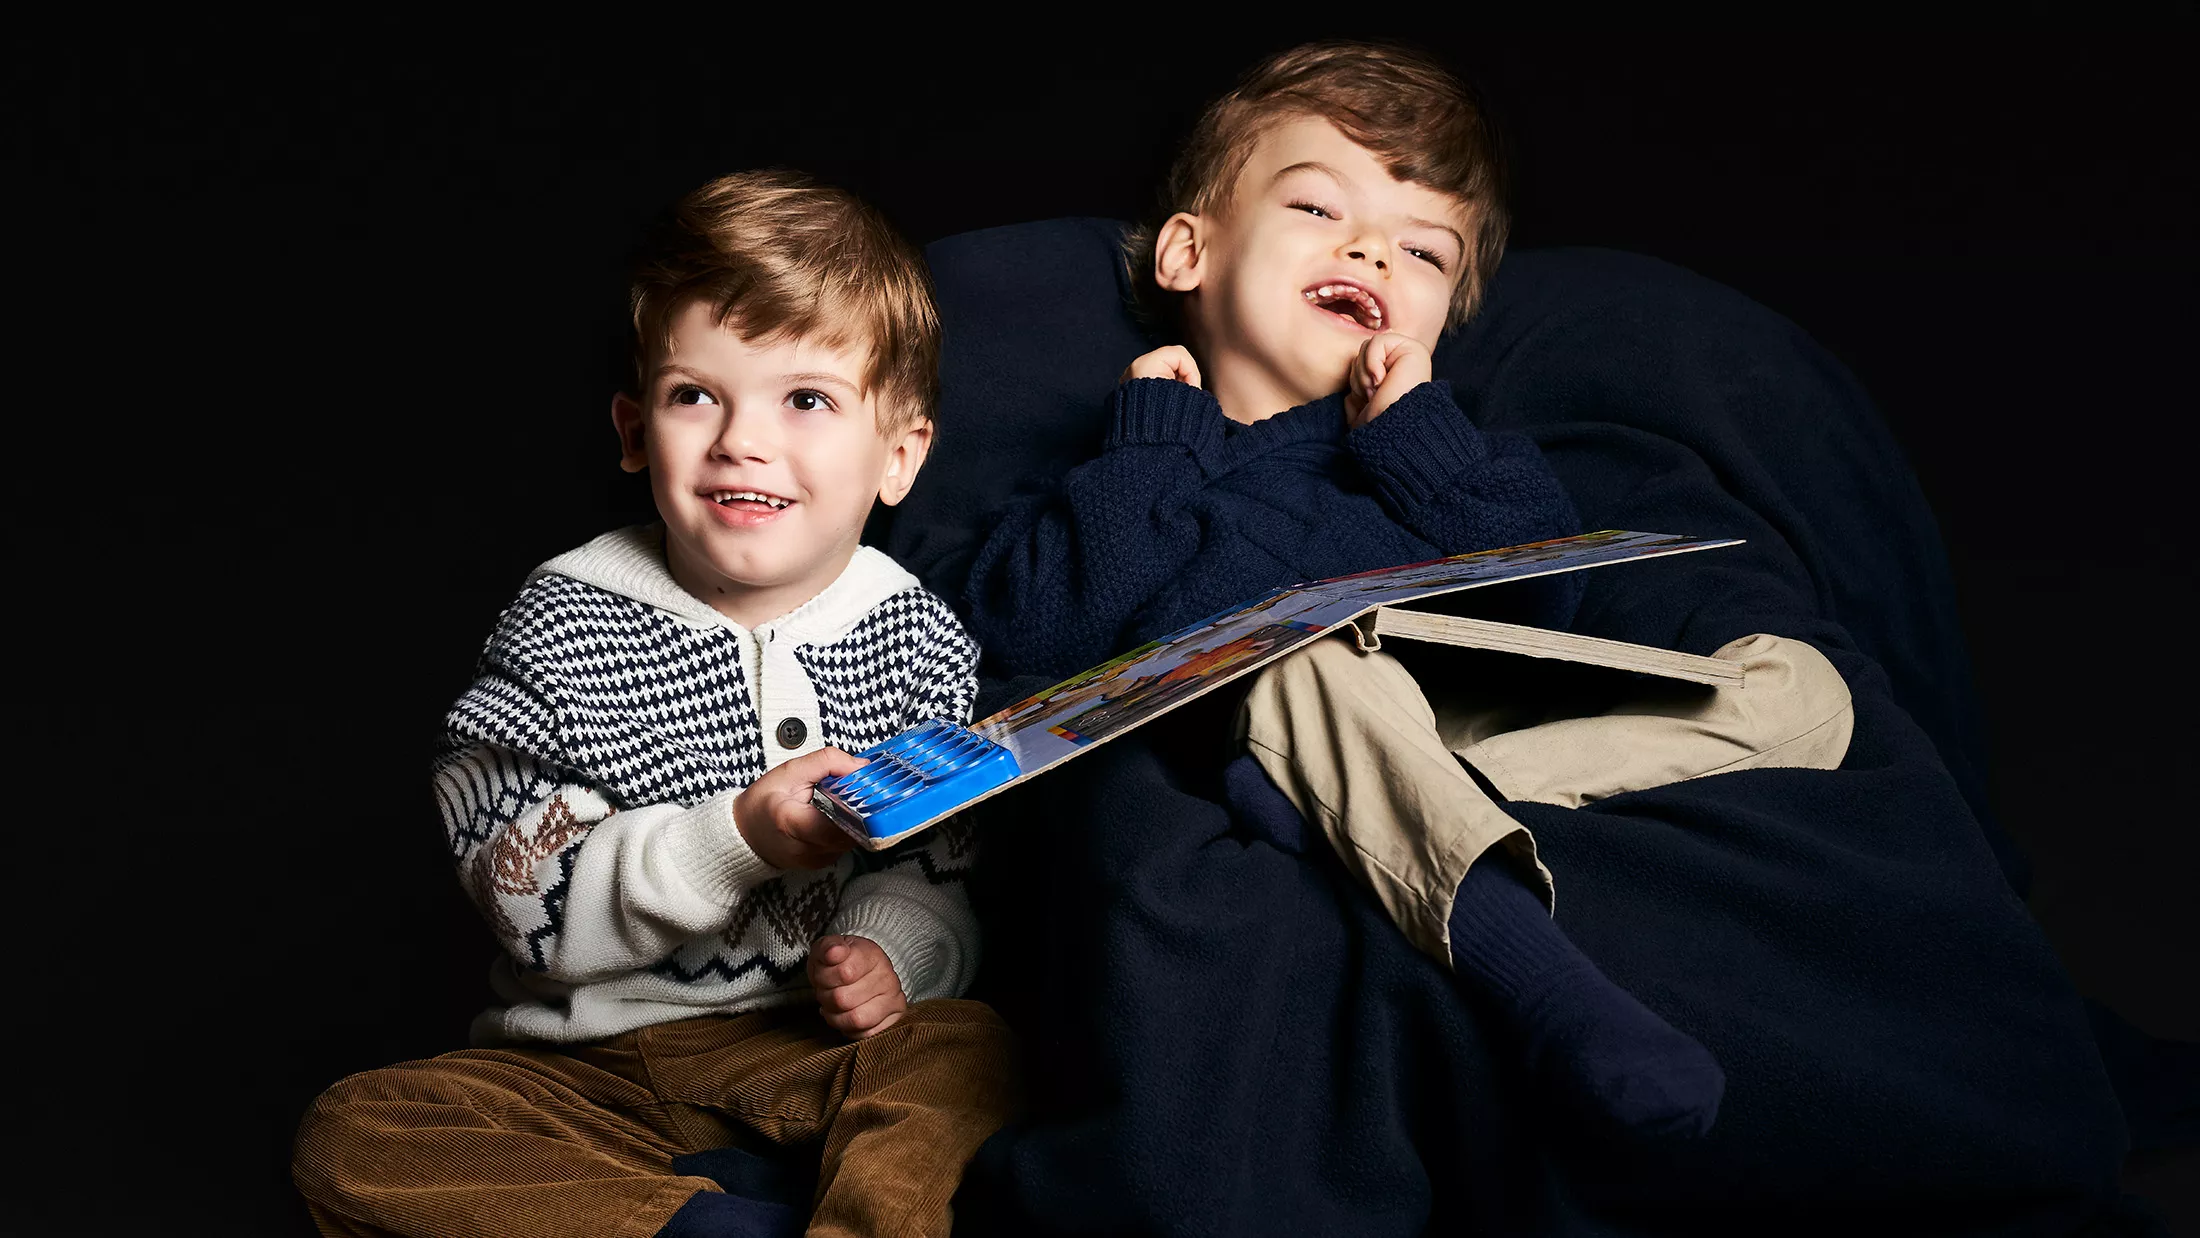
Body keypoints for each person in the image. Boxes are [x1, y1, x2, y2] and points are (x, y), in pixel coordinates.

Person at [961, 41, 1852, 1140]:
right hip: (1281, 711)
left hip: (1452, 728)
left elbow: (1540, 605)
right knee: (1297, 646)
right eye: (1320, 208)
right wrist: (1152, 445)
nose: (1372, 252)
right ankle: (1541, 983)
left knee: (1801, 687)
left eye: (1422, 252)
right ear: (1189, 252)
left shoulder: (1446, 454)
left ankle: (1352, 823)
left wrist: (1414, 439)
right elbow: (1033, 627)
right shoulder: (1135, 465)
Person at [294, 170, 1019, 1238]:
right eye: (696, 394)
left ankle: (853, 1216)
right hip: (587, 1070)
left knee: (969, 1047)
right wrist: (735, 836)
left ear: (898, 454)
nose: (741, 439)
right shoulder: (566, 622)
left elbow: (940, 868)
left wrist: (886, 952)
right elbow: (525, 897)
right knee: (359, 1132)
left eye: (805, 399)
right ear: (636, 430)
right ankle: (694, 1223)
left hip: (805, 1060)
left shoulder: (914, 633)